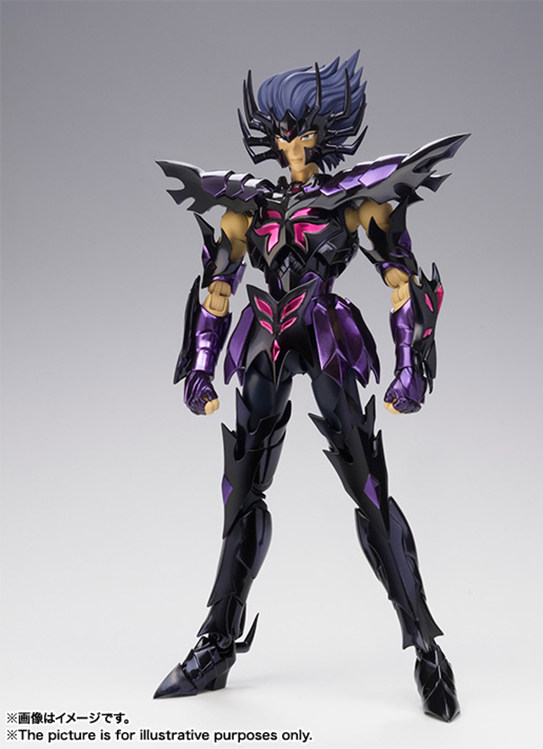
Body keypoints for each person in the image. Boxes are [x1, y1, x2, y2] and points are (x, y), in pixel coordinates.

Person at [155, 51, 467, 722]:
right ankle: (216, 644)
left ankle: (425, 646)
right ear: (270, 137)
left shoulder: (352, 202)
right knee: (242, 490)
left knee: (369, 488)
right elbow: (216, 288)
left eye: (306, 133)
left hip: (326, 333)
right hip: (265, 337)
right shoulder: (249, 206)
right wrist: (201, 365)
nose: (295, 146)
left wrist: (411, 368)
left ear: (326, 134)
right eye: (284, 133)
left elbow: (401, 279)